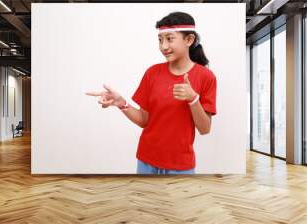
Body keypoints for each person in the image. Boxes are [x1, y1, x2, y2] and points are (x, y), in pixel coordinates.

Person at [86, 12, 217, 174]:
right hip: (146, 161)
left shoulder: (206, 77)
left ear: (189, 40)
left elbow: (205, 129)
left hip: (180, 165)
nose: (164, 47)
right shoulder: (152, 73)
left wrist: (193, 99)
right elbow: (144, 120)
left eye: (170, 39)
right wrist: (122, 103)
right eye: (160, 40)